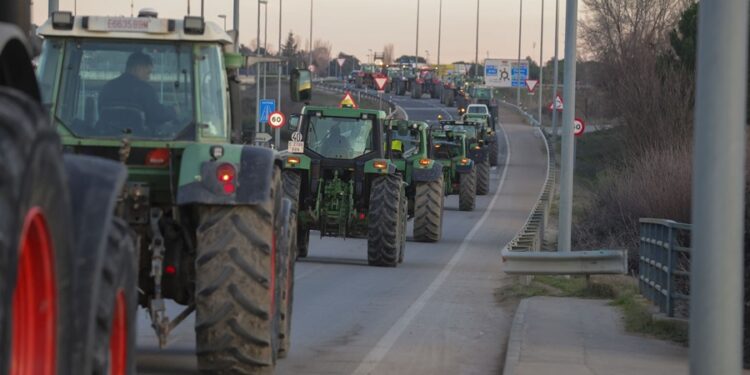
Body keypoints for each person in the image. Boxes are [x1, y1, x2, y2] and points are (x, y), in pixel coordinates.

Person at [99, 52, 176, 128]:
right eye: (148, 73)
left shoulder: (107, 88)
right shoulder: (145, 90)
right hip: (138, 137)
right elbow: (156, 115)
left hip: (106, 136)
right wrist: (173, 111)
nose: (148, 78)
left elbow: (101, 112)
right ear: (138, 68)